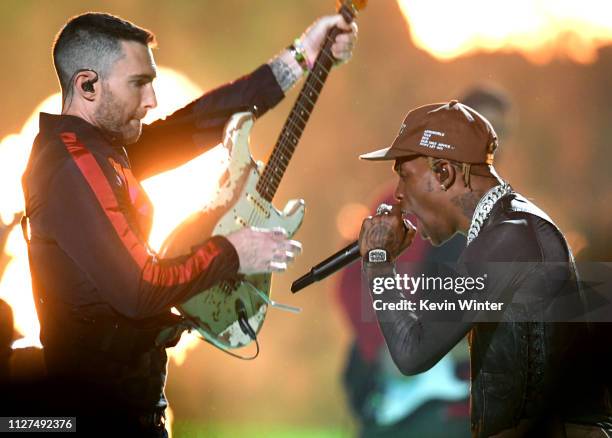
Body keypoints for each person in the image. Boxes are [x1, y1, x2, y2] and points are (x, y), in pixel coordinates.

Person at [21, 12, 356, 436]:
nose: (152, 100)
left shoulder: (100, 147)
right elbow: (140, 289)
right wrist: (233, 252)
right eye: (138, 84)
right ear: (88, 85)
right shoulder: (73, 163)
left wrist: (302, 56)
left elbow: (194, 126)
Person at [357, 101, 612, 437]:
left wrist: (379, 261)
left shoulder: (510, 237)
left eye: (404, 177)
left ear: (445, 173)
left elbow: (412, 352)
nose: (399, 195)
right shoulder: (508, 228)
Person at [337, 87, 511, 438]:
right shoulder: (398, 201)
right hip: (390, 397)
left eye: (499, 134)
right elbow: (349, 284)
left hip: (458, 409)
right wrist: (385, 345)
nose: (492, 144)